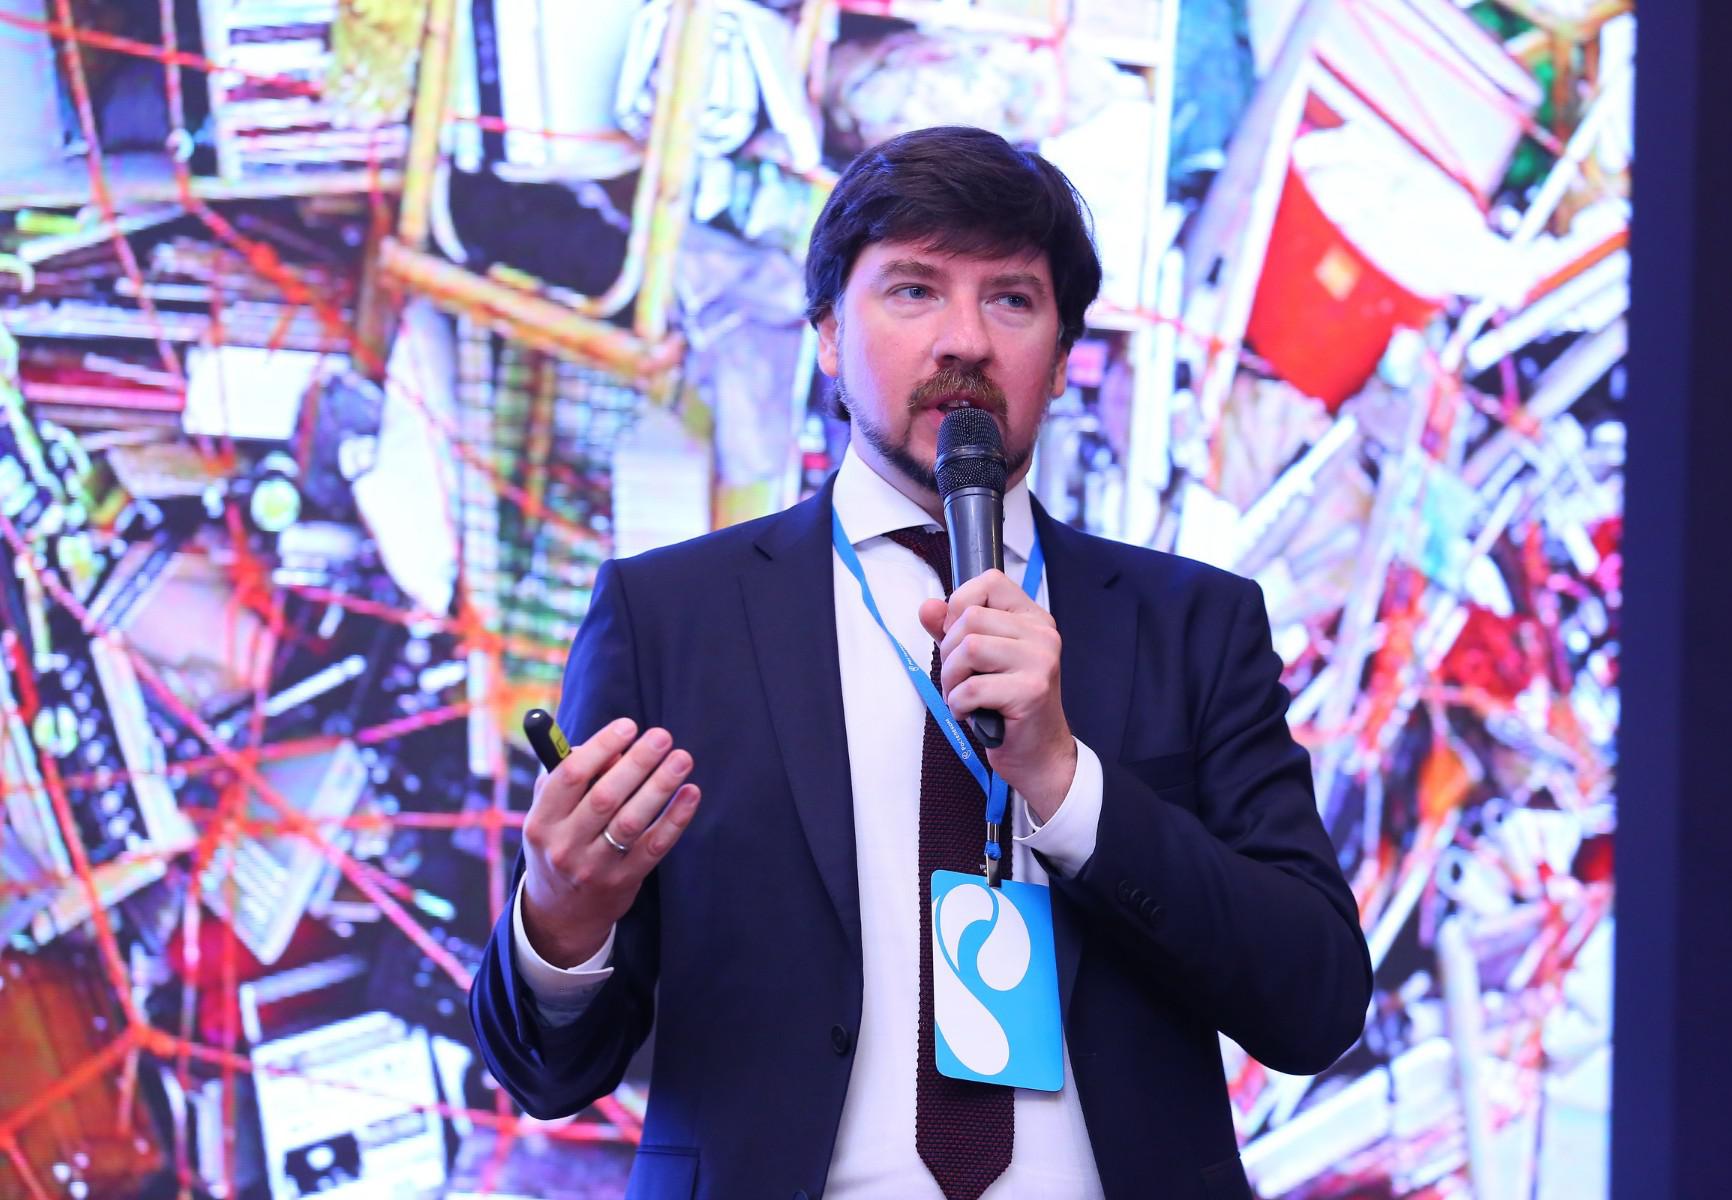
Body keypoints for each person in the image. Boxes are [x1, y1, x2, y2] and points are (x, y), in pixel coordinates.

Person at [468, 125, 1371, 1199]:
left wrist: (1066, 782)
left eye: (1012, 300)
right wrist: (563, 917)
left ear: (1062, 358)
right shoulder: (673, 616)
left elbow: (1316, 1004)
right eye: (913, 290)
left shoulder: (1192, 625)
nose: (966, 341)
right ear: (826, 335)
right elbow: (550, 1073)